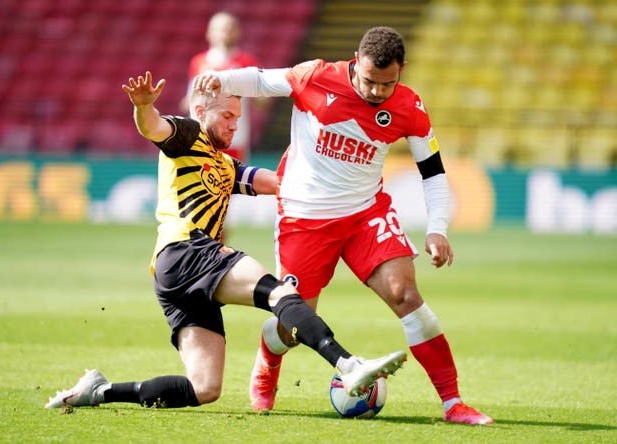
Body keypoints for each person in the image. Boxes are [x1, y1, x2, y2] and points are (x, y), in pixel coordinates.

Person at [44, 71, 405, 410]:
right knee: (281, 294)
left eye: (239, 118)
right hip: (188, 250)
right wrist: (143, 107)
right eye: (229, 116)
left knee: (204, 389)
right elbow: (154, 127)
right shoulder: (187, 136)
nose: (235, 125)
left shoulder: (224, 165)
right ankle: (348, 364)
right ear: (201, 111)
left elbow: (280, 184)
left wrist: (336, 176)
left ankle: (99, 391)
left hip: (173, 275)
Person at [192, 26, 494, 425]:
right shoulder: (317, 75)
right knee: (293, 325)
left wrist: (437, 227)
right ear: (356, 61)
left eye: (387, 83)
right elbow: (263, 80)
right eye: (369, 81)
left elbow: (434, 172)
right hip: (304, 217)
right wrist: (224, 80)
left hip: (365, 214)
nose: (376, 92)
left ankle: (453, 402)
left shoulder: (409, 106)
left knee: (405, 294)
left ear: (402, 70)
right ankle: (268, 356)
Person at [180, 11, 264, 163]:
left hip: (234, 138)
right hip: (203, 138)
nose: (227, 32)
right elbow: (188, 102)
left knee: (234, 181)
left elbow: (262, 101)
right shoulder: (199, 62)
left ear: (238, 32)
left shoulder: (246, 62)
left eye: (231, 27)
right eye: (222, 28)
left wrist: (250, 91)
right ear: (210, 33)